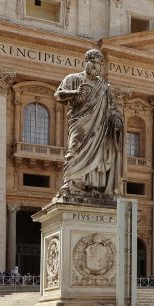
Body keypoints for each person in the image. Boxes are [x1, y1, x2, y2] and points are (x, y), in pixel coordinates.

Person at [54, 49, 124, 196]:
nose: (95, 66)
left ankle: (93, 185)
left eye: (99, 64)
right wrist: (75, 93)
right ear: (85, 61)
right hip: (80, 122)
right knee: (75, 147)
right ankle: (70, 182)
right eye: (93, 62)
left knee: (97, 154)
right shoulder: (73, 79)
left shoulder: (105, 87)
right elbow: (58, 95)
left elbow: (112, 109)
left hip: (99, 127)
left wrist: (116, 120)